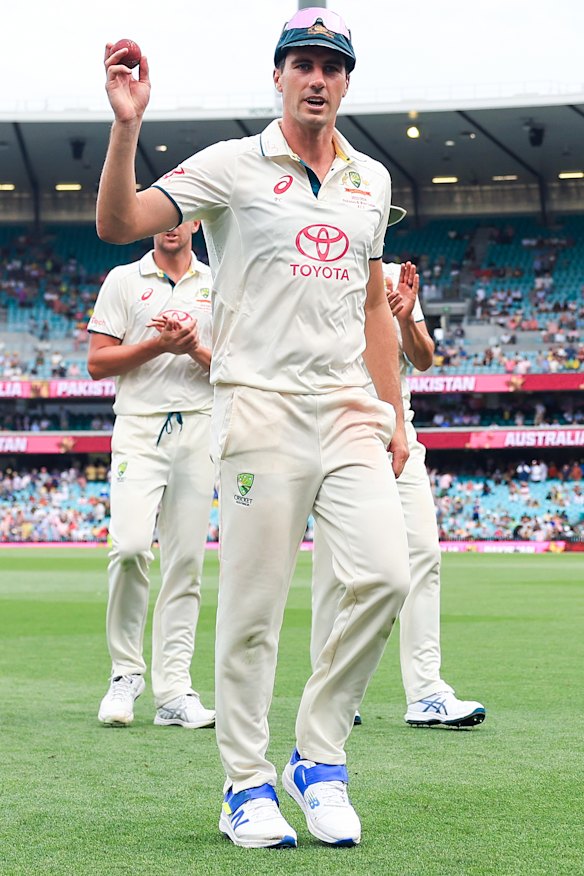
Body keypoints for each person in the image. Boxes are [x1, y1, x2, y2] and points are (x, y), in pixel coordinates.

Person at [96, 8, 411, 849]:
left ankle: (319, 756)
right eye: (302, 63)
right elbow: (120, 221)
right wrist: (128, 127)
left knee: (387, 576)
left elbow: (375, 303)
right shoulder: (232, 166)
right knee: (252, 611)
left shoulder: (370, 182)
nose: (317, 78)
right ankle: (245, 784)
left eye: (331, 67)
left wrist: (398, 416)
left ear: (347, 82)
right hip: (258, 407)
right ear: (277, 76)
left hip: (347, 407)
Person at [311, 261, 486, 729]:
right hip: (336, 422)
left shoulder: (393, 275)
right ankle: (331, 688)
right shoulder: (318, 259)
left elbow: (424, 358)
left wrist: (407, 317)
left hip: (396, 426)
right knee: (335, 568)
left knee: (424, 552)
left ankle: (426, 692)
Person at [87, 221, 216, 731]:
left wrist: (192, 349)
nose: (170, 226)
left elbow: (236, 365)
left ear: (197, 221)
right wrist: (159, 347)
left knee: (186, 563)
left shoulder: (219, 281)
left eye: (181, 216)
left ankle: (175, 690)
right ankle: (125, 674)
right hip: (139, 429)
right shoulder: (123, 278)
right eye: (160, 216)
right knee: (131, 547)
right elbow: (98, 363)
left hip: (201, 426)